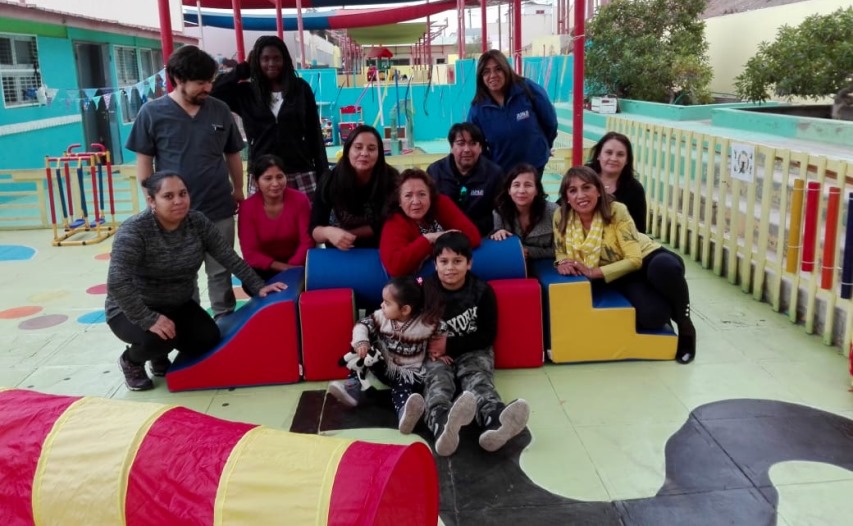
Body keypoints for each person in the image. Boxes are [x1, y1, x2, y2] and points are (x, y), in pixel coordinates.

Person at [106, 172, 286, 391]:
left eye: (182, 194)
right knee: (159, 339)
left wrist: (259, 285)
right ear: (152, 201)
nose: (179, 201)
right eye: (168, 196)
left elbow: (227, 256)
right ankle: (132, 361)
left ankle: (159, 355)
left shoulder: (197, 222)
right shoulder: (135, 230)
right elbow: (117, 282)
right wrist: (148, 319)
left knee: (206, 339)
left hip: (177, 304)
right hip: (131, 308)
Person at [126, 45, 245, 319]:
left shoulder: (220, 110)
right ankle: (190, 330)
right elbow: (144, 160)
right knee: (181, 277)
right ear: (178, 79)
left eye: (210, 81)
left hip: (218, 206)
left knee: (220, 272)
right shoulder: (152, 113)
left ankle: (224, 324)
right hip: (174, 215)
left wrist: (237, 189)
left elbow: (233, 154)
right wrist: (151, 200)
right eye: (201, 82)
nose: (208, 88)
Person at [553, 166, 696, 364]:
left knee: (665, 268)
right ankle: (666, 300)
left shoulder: (616, 211)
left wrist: (594, 272)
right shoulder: (561, 216)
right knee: (654, 317)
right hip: (620, 275)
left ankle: (685, 326)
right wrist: (562, 262)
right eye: (573, 190)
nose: (581, 195)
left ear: (598, 190)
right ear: (566, 197)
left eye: (587, 188)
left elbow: (635, 259)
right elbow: (560, 250)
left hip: (646, 258)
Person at [422, 232, 530, 456]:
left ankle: (496, 421)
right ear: (435, 264)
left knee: (478, 380)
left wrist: (449, 346)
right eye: (444, 261)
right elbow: (408, 326)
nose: (450, 267)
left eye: (457, 261)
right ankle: (442, 424)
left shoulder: (482, 291)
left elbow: (487, 334)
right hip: (434, 353)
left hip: (472, 348)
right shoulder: (424, 290)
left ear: (469, 263)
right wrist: (430, 348)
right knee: (437, 382)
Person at [211, 36, 328, 201]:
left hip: (300, 171)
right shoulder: (246, 93)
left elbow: (314, 133)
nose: (271, 63)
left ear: (285, 60)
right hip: (262, 174)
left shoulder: (300, 89)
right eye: (265, 59)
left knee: (305, 225)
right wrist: (242, 69)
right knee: (267, 225)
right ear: (256, 62)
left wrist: (323, 173)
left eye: (276, 58)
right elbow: (214, 93)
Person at [328, 276, 446, 434]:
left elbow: (442, 327)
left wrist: (439, 349)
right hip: (383, 366)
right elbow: (361, 325)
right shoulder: (381, 317)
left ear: (405, 309)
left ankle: (405, 413)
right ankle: (353, 387)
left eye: (387, 303)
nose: (381, 305)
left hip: (410, 374)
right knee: (364, 355)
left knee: (401, 389)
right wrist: (361, 342)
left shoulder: (425, 323)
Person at [468, 49, 557, 176]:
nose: (492, 75)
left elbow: (550, 122)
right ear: (481, 77)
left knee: (532, 195)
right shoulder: (477, 109)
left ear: (506, 69)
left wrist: (543, 147)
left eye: (498, 69)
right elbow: (474, 143)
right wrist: (490, 166)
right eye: (486, 72)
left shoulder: (527, 89)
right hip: (502, 173)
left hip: (535, 167)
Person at [380, 169, 481, 277]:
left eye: (422, 194)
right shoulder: (395, 220)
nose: (416, 201)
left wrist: (435, 246)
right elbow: (395, 267)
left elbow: (473, 237)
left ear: (430, 196)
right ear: (399, 201)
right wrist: (429, 239)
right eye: (408, 195)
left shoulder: (441, 204)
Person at [310, 125, 397, 250]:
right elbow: (314, 229)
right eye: (358, 147)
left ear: (379, 153)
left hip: (380, 250)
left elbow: (390, 224)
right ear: (347, 151)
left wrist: (349, 235)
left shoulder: (392, 179)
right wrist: (328, 232)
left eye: (371, 149)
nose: (364, 153)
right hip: (339, 252)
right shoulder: (330, 179)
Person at [237, 154, 314, 281]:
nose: (275, 183)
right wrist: (283, 268)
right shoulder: (247, 207)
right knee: (250, 282)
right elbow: (250, 252)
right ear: (256, 182)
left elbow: (307, 241)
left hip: (299, 264)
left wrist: (293, 267)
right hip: (265, 268)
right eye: (268, 178)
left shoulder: (300, 200)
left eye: (279, 177)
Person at [426, 123, 503, 236]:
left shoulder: (495, 174)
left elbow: (501, 212)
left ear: (480, 148)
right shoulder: (434, 171)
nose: (467, 149)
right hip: (444, 237)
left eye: (473, 143)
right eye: (461, 143)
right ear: (452, 147)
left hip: (482, 236)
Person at [491, 163, 558, 260]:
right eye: (516, 185)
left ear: (537, 190)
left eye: (528, 185)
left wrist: (528, 251)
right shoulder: (500, 211)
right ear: (509, 190)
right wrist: (497, 234)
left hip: (547, 263)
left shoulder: (553, 212)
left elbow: (560, 250)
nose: (521, 190)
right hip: (513, 262)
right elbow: (498, 249)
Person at [586, 132, 647, 233]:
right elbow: (563, 206)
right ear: (598, 155)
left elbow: (639, 230)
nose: (614, 158)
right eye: (608, 152)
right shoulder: (582, 178)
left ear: (627, 160)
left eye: (620, 154)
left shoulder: (635, 189)